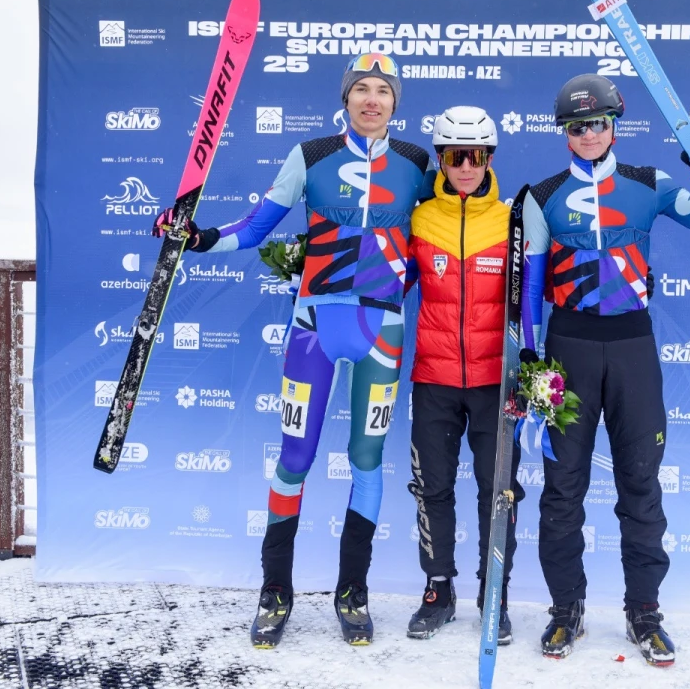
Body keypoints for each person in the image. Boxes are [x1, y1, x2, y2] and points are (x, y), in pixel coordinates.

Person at [153, 54, 430, 647]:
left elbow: (438, 238)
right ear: (346, 98)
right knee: (295, 458)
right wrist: (198, 237)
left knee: (366, 459)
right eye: (362, 89)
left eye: (383, 91)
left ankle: (352, 592)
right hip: (313, 327)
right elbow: (256, 227)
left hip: (383, 329)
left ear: (395, 103)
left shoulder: (416, 162)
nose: (372, 99)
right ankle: (275, 591)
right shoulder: (310, 155)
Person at [521, 73, 690, 666]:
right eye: (577, 127)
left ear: (614, 125)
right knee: (562, 490)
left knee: (641, 485)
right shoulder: (541, 195)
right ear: (565, 133)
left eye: (597, 123)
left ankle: (644, 613)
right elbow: (530, 289)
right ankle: (566, 609)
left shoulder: (649, 183)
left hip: (632, 348)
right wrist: (529, 360)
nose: (588, 134)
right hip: (567, 350)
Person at [402, 107, 531, 644]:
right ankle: (439, 589)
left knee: (497, 490)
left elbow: (535, 294)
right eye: (455, 156)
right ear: (440, 159)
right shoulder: (418, 220)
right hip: (433, 377)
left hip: (493, 382)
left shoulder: (512, 220)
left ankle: (492, 592)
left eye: (475, 155)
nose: (465, 166)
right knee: (431, 487)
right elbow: (386, 281)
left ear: (490, 159)